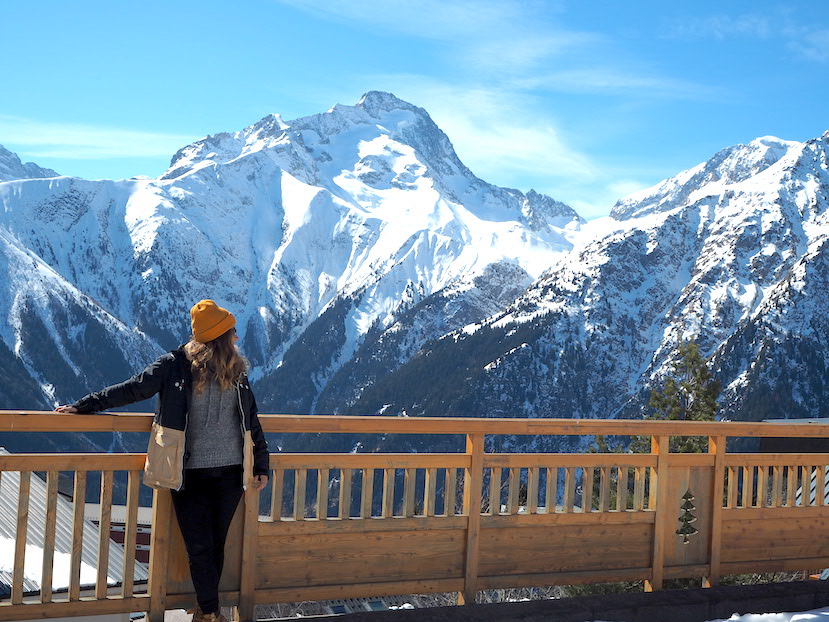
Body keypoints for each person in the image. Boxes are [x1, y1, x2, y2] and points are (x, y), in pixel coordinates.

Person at [56, 300, 269, 622]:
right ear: (221, 337)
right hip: (188, 472)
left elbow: (251, 420)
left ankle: (206, 611)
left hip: (230, 473)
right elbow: (133, 389)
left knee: (216, 544)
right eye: (233, 332)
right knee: (199, 548)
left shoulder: (238, 373)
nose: (238, 338)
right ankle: (211, 612)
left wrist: (262, 464)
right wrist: (85, 405)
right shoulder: (174, 365)